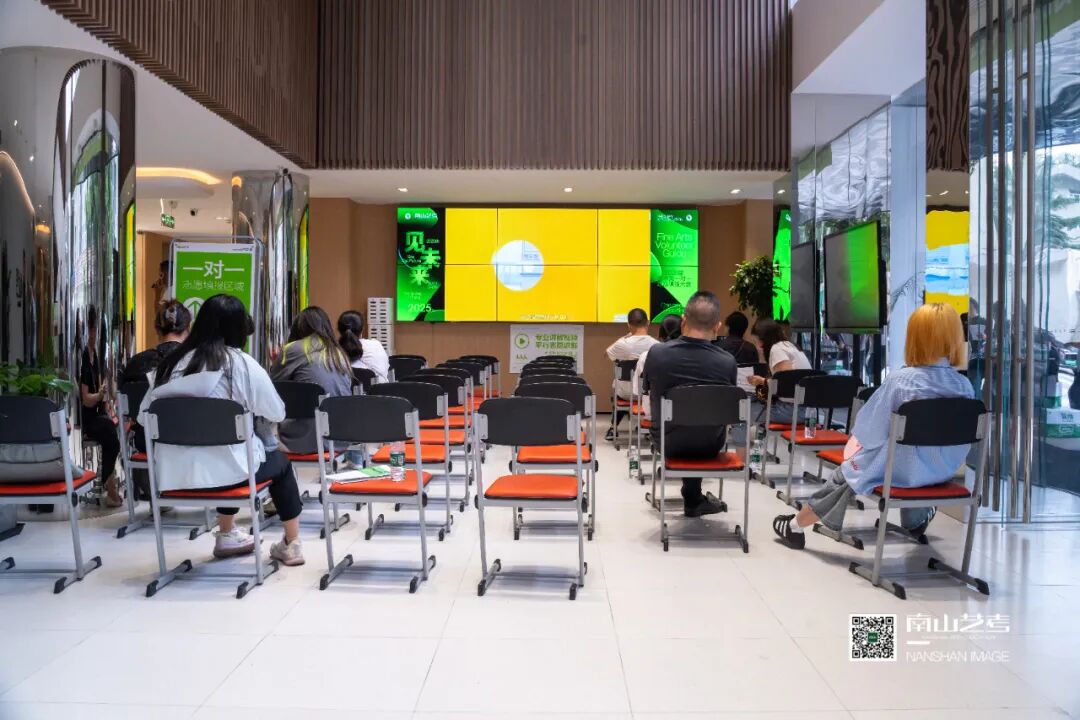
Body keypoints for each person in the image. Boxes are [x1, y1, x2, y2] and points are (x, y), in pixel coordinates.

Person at [773, 303, 976, 549]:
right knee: (899, 461)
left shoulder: (900, 382)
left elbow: (869, 432)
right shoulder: (964, 386)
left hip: (900, 472)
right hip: (940, 470)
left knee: (847, 473)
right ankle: (915, 520)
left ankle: (795, 525)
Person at [138, 294, 305, 565]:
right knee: (279, 463)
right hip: (232, 475)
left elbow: (144, 419)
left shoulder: (171, 364)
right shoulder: (242, 364)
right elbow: (278, 412)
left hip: (173, 475)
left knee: (227, 456)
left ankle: (227, 534)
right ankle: (291, 543)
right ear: (239, 328)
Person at [643, 291, 738, 516]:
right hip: (711, 444)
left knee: (683, 422)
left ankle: (693, 496)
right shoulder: (727, 362)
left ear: (683, 320)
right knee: (701, 422)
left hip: (667, 441)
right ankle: (693, 496)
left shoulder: (657, 354)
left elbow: (649, 393)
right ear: (717, 326)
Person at [118, 301, 192, 500]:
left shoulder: (134, 364)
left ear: (157, 329)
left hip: (146, 441)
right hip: (189, 439)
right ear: (188, 328)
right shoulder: (195, 363)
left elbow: (124, 406)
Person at [270, 306, 354, 454]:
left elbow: (271, 387)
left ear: (298, 327)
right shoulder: (340, 354)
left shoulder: (293, 349)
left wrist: (276, 361)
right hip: (341, 437)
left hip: (304, 440)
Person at [79, 305, 122, 507]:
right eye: (91, 329)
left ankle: (108, 480)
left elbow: (103, 393)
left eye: (95, 329)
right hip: (87, 418)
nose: (93, 333)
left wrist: (105, 395)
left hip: (99, 414)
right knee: (110, 433)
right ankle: (108, 482)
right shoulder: (83, 359)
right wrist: (100, 395)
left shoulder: (95, 355)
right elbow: (86, 399)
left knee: (111, 433)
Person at [747, 318, 812, 428]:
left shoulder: (777, 349)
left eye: (756, 341)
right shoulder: (790, 346)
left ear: (763, 340)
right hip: (808, 410)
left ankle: (751, 440)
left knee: (746, 410)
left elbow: (786, 384)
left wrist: (762, 381)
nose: (757, 346)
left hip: (792, 410)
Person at [605, 307, 658, 439]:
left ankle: (613, 427)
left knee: (617, 385)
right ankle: (646, 425)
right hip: (647, 394)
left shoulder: (623, 344)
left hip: (625, 393)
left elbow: (607, 354)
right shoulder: (657, 346)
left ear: (628, 325)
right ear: (648, 323)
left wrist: (624, 337)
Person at [633, 314, 682, 421]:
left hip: (654, 414)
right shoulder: (693, 356)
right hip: (686, 415)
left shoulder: (646, 356)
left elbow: (637, 390)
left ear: (660, 332)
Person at [337, 310, 390, 384]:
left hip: (347, 391)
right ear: (362, 329)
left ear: (339, 330)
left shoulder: (331, 353)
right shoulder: (376, 345)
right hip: (379, 390)